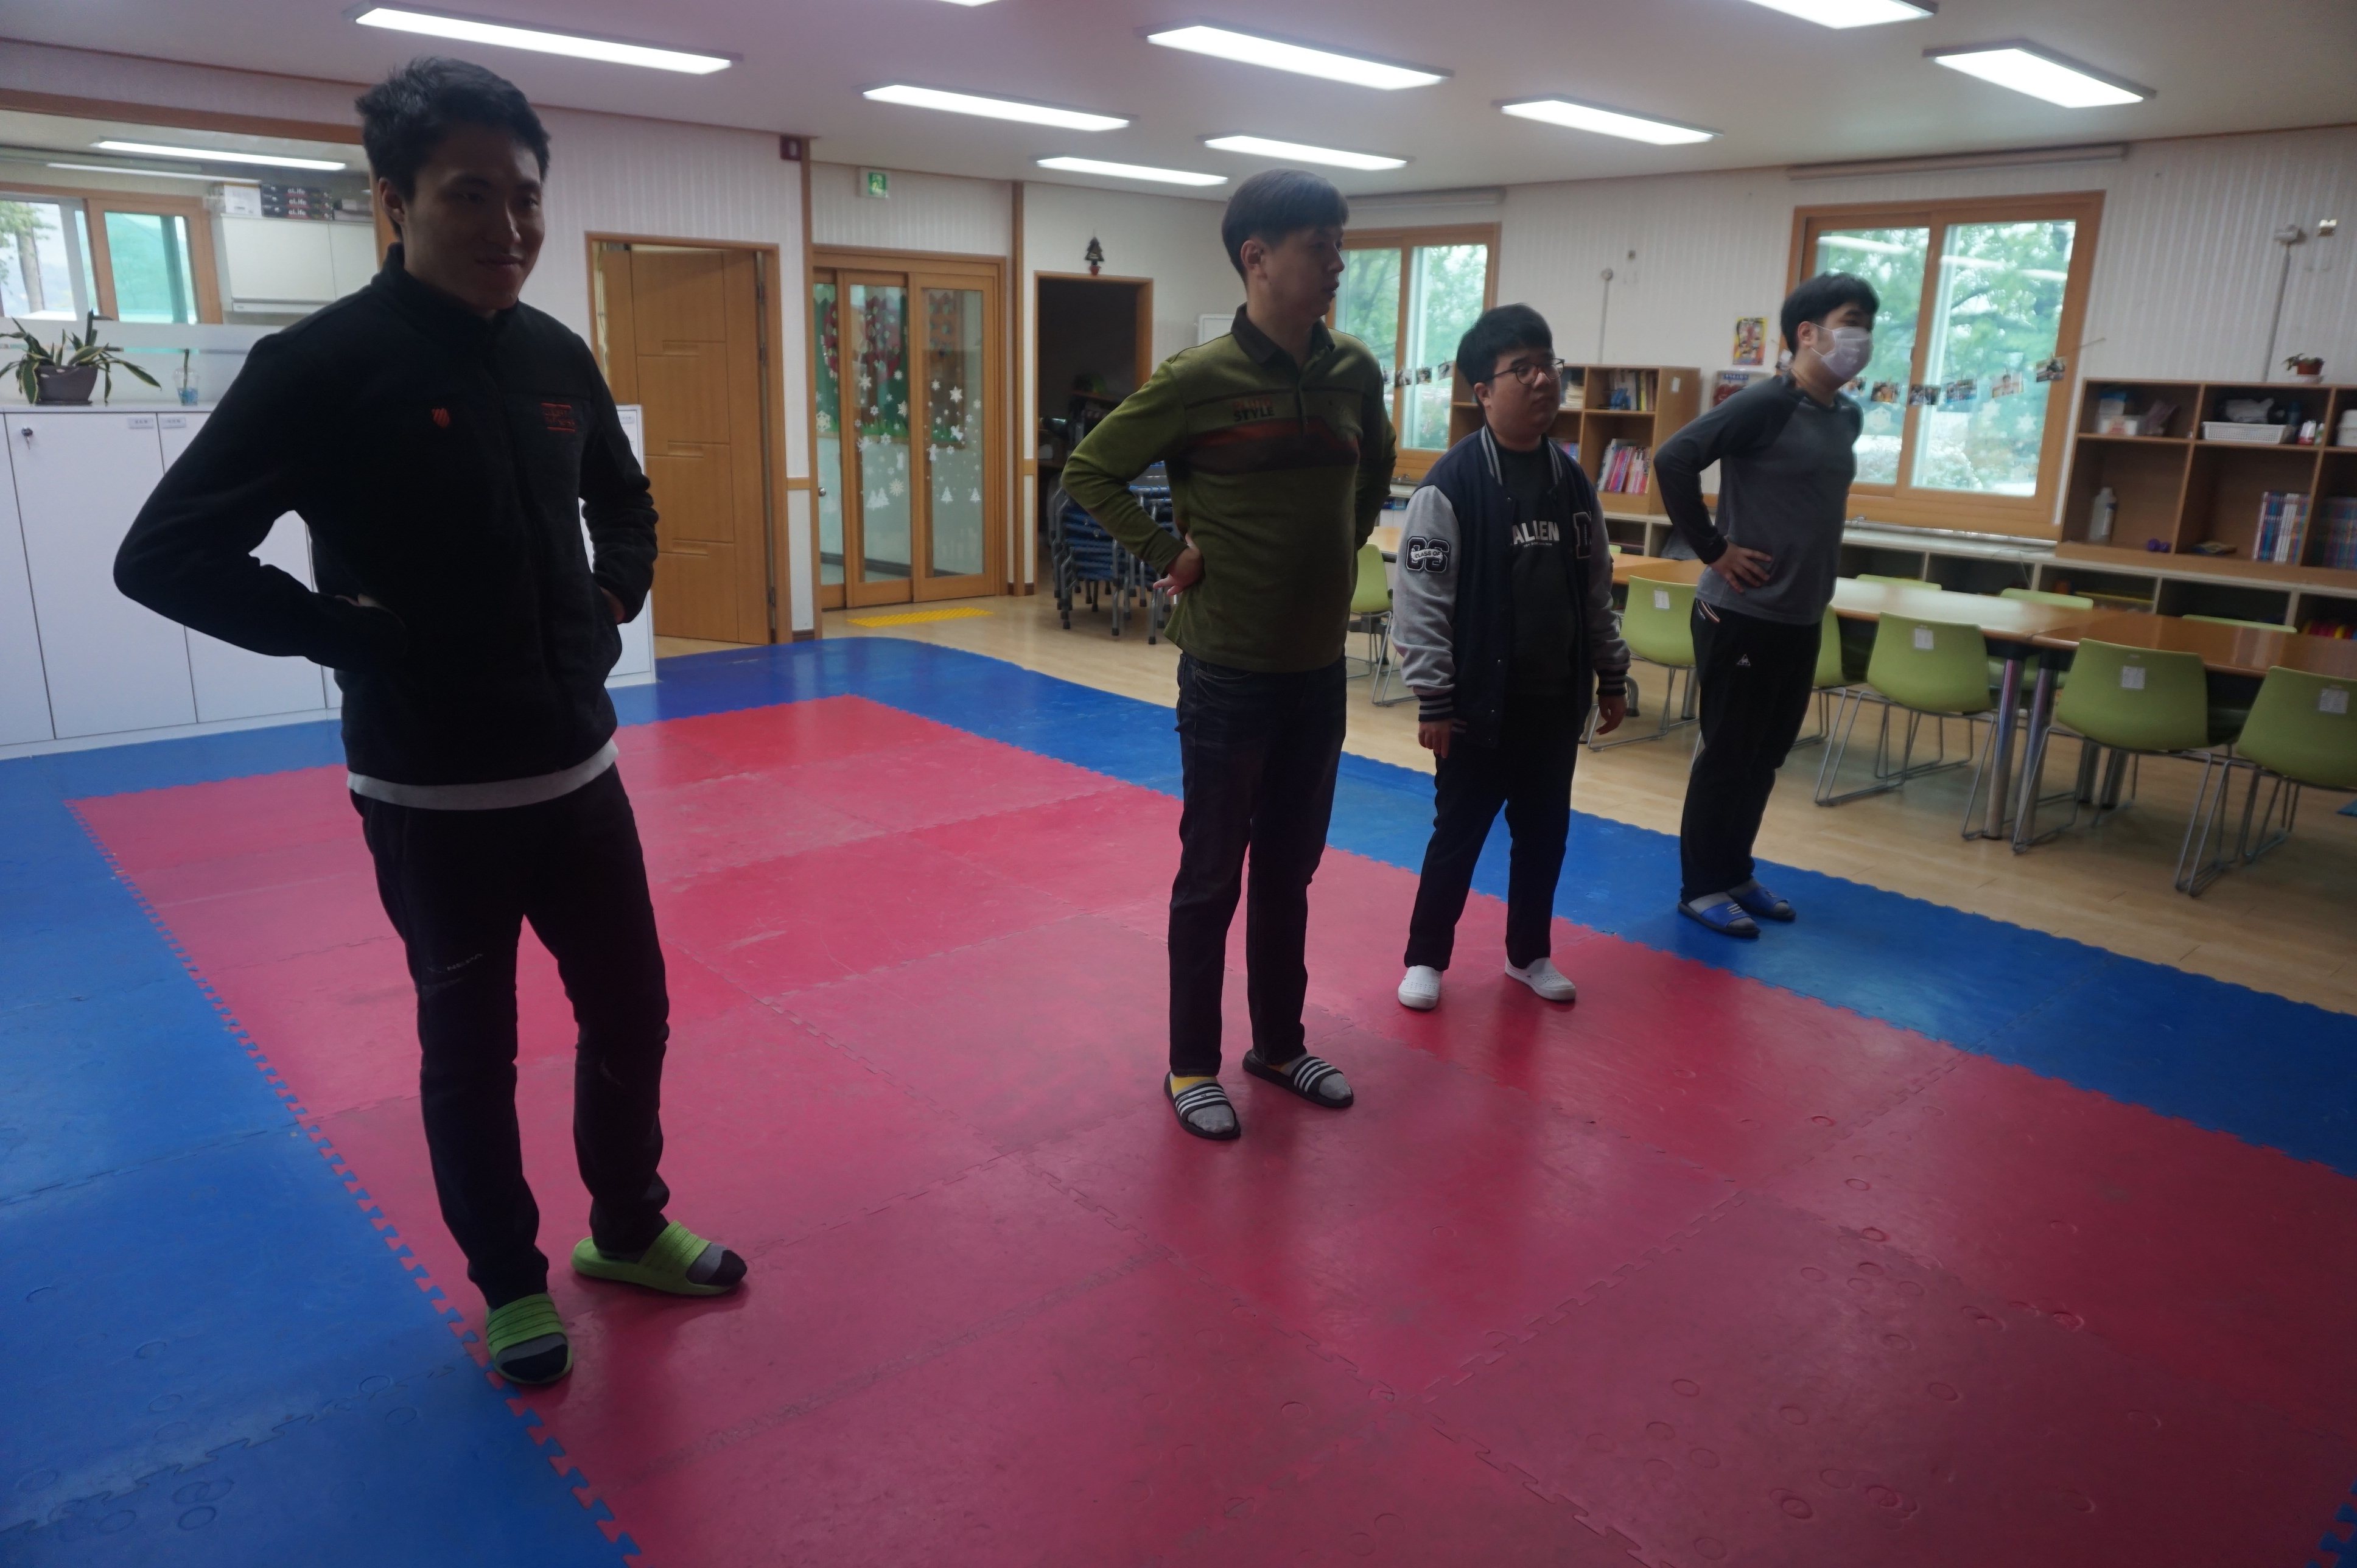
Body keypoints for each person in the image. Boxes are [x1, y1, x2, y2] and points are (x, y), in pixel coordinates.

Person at [114, 58, 744, 1387]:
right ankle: (509, 1281)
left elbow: (624, 499)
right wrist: (346, 635)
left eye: (526, 197)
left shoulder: (554, 352)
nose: (508, 227)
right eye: (471, 194)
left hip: (580, 773)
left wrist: (610, 597)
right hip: (433, 794)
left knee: (632, 1012)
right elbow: (163, 554)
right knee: (470, 1049)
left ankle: (627, 1227)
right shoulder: (321, 366)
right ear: (394, 199)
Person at [1061, 169, 1396, 1141]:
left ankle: (1280, 1045)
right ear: (1258, 258)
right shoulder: (1196, 380)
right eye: (1319, 246)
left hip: (1317, 673)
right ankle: (1192, 1064)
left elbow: (1373, 466)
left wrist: (1343, 544)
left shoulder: (1353, 370)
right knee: (1213, 877)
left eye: (1340, 245)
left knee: (1290, 873)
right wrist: (1168, 554)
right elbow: (1089, 469)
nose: (1338, 264)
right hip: (1227, 674)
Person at [1389, 305, 1629, 1010]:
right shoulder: (1451, 483)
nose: (1541, 379)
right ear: (1482, 391)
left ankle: (1528, 954)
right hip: (1475, 707)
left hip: (1553, 699)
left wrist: (1611, 673)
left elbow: (1595, 588)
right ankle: (1425, 957)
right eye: (1520, 368)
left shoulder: (1571, 480)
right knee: (1456, 837)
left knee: (1544, 837)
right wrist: (1433, 698)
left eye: (1547, 363)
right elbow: (1420, 602)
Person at [1651, 271, 1877, 938]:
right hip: (1740, 612)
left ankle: (1735, 871)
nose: (1862, 337)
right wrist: (1713, 549)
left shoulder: (1847, 416)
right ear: (1807, 333)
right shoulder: (1764, 404)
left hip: (1801, 615)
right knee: (1727, 755)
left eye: (1869, 325)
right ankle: (1700, 886)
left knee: (1765, 756)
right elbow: (1673, 459)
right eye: (1850, 322)